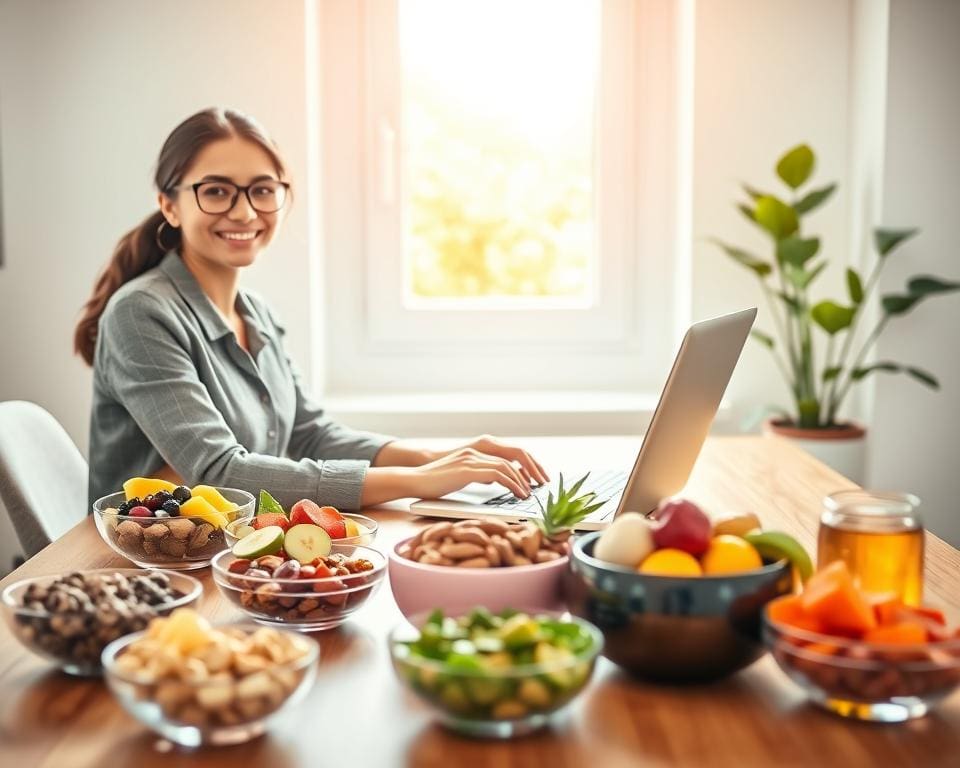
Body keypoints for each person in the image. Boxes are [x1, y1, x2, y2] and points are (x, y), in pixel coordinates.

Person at [76, 107, 548, 509]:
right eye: (216, 191)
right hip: (145, 563)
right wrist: (417, 482)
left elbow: (310, 433)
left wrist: (441, 458)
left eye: (263, 190)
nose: (244, 212)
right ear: (170, 206)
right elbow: (219, 473)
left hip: (226, 545)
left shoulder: (255, 313)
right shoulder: (140, 314)